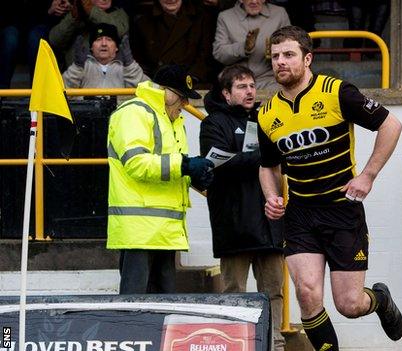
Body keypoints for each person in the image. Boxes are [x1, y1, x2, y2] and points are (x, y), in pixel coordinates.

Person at [257, 26, 402, 350]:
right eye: (276, 56)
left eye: (289, 55)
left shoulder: (336, 92)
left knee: (349, 304)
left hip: (341, 209)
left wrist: (368, 174)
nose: (281, 62)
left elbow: (391, 125)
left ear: (307, 58)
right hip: (300, 214)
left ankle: (378, 299)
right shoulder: (267, 114)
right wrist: (271, 196)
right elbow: (267, 166)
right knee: (307, 293)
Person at [106, 64, 214, 294]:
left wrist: (192, 177)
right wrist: (185, 165)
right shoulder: (134, 113)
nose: (185, 105)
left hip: (163, 231)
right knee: (135, 307)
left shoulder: (170, 119)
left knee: (161, 307)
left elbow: (167, 167)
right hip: (140, 231)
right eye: (183, 98)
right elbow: (137, 164)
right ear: (167, 92)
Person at [199, 64, 286, 350]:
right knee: (234, 292)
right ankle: (234, 343)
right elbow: (218, 164)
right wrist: (266, 156)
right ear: (226, 93)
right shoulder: (213, 123)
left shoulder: (266, 117)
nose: (250, 91)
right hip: (234, 221)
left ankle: (274, 342)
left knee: (274, 291)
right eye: (241, 86)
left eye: (251, 85)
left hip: (270, 220)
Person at [132, 0, 219, 89]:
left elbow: (206, 56)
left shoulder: (202, 17)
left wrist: (190, 79)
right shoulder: (142, 20)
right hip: (156, 85)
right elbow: (139, 60)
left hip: (192, 85)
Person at [213, 0, 290, 91]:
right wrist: (244, 48)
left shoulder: (279, 13)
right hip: (235, 79)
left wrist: (275, 51)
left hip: (270, 80)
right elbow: (219, 53)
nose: (254, 1)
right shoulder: (225, 17)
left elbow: (290, 50)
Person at [0, 0, 69, 88]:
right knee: (10, 37)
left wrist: (63, 6)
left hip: (43, 26)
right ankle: (2, 91)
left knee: (36, 37)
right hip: (14, 27)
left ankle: (38, 91)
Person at [62, 22, 148, 88]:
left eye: (109, 39)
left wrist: (130, 65)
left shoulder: (127, 69)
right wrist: (77, 66)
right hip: (87, 111)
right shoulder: (82, 68)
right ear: (91, 47)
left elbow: (148, 90)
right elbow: (62, 90)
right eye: (98, 39)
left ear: (117, 47)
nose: (104, 44)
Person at [49, 0, 129, 69]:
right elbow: (55, 40)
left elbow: (119, 30)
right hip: (77, 78)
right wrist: (73, 18)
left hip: (109, 79)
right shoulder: (74, 14)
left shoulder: (119, 13)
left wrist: (91, 10)